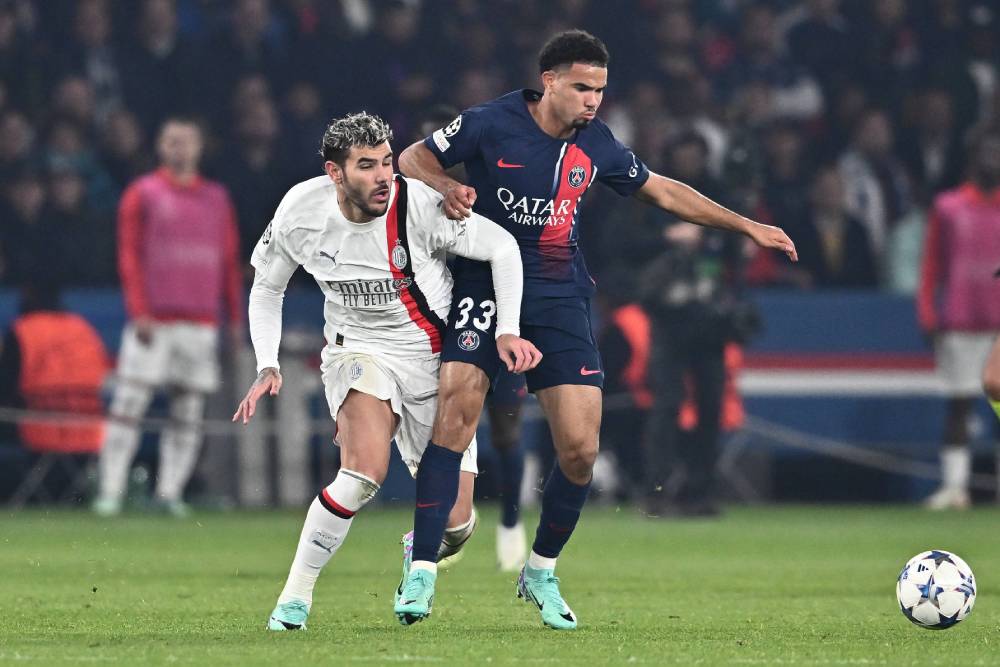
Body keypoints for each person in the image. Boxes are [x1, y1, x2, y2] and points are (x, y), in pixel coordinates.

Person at [396, 29, 797, 630]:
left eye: (601, 90)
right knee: (455, 416)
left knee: (581, 451)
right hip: (482, 284)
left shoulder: (600, 144)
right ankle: (421, 570)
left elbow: (662, 189)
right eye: (583, 87)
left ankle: (540, 572)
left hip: (559, 298)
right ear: (550, 80)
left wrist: (746, 226)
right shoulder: (490, 121)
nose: (593, 101)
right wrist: (448, 184)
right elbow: (412, 157)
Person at [231, 112, 538, 631]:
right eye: (366, 165)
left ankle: (418, 546)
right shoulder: (300, 211)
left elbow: (502, 248)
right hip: (357, 349)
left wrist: (506, 329)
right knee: (361, 475)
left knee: (458, 525)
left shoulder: (418, 205)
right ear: (335, 172)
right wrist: (267, 361)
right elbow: (266, 287)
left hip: (433, 360)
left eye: (387, 162)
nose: (382, 176)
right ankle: (293, 601)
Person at [93, 117, 243, 518]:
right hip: (154, 320)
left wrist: (233, 316)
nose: (179, 149)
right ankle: (110, 491)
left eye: (186, 141)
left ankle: (169, 493)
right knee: (129, 404)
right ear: (161, 146)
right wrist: (138, 310)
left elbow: (228, 260)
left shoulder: (216, 198)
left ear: (198, 147)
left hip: (200, 322)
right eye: (172, 141)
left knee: (188, 412)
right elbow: (129, 255)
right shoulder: (142, 194)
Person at [413, 105, 530, 573]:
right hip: (440, 317)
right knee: (447, 420)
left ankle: (511, 523)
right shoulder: (413, 194)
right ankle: (446, 523)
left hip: (491, 303)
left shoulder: (487, 185)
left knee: (505, 427)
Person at [917, 131, 1000, 510]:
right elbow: (932, 262)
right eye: (987, 151)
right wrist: (927, 311)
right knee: (959, 405)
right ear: (972, 158)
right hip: (961, 319)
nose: (993, 159)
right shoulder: (948, 206)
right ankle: (955, 488)